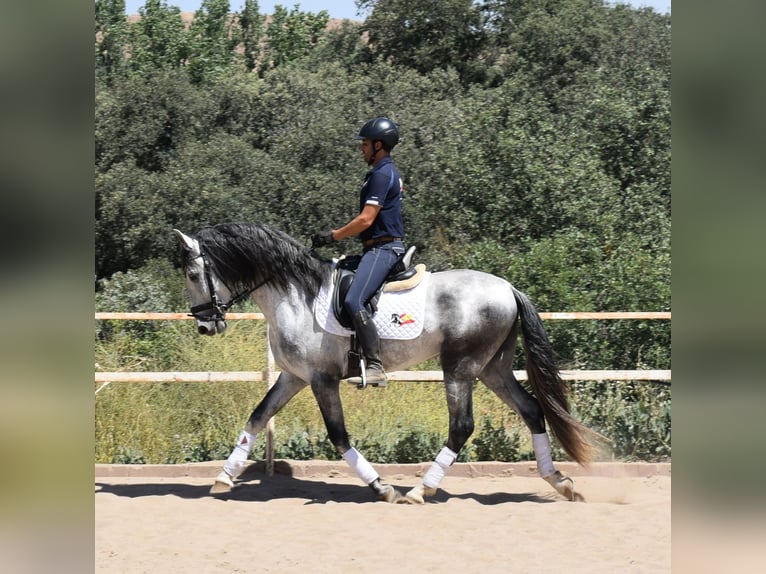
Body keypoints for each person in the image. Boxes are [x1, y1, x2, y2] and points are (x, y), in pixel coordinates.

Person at [312, 116, 405, 386]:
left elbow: (366, 219)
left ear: (379, 145)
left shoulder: (382, 174)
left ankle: (376, 366)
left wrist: (333, 236)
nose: (361, 148)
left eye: (365, 143)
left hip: (384, 248)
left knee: (354, 301)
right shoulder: (379, 173)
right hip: (374, 248)